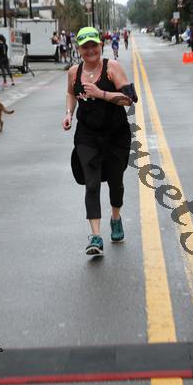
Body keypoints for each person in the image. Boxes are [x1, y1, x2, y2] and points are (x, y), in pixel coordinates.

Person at [63, 26, 136, 257]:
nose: (90, 50)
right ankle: (95, 236)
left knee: (116, 182)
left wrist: (100, 93)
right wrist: (68, 113)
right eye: (85, 47)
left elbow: (129, 99)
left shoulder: (112, 68)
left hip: (116, 135)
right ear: (79, 49)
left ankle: (116, 218)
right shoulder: (73, 72)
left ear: (100, 45)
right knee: (91, 184)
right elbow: (71, 93)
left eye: (93, 45)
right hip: (87, 136)